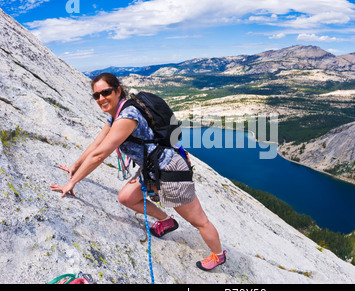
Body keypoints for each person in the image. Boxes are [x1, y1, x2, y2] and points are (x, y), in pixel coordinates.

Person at [50, 73, 226, 271]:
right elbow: (96, 144)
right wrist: (75, 165)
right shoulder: (116, 115)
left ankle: (218, 255)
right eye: (96, 95)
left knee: (199, 221)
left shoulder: (127, 116)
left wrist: (72, 183)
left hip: (168, 169)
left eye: (105, 92)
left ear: (118, 90)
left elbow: (100, 155)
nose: (101, 99)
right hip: (151, 170)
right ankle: (166, 221)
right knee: (126, 197)